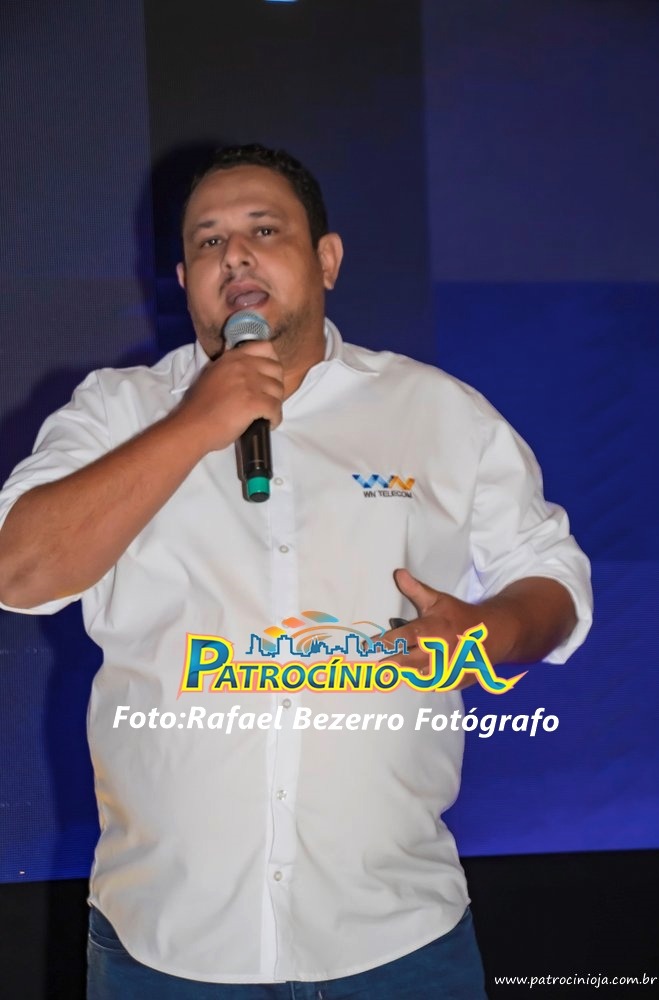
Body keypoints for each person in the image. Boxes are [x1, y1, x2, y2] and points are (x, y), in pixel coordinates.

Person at [0, 144, 592, 999]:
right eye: (208, 242)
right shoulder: (116, 410)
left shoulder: (435, 411)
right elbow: (19, 571)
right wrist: (195, 424)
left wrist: (487, 632)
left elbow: (552, 580)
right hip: (166, 945)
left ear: (327, 260)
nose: (234, 255)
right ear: (184, 280)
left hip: (397, 937)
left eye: (264, 230)